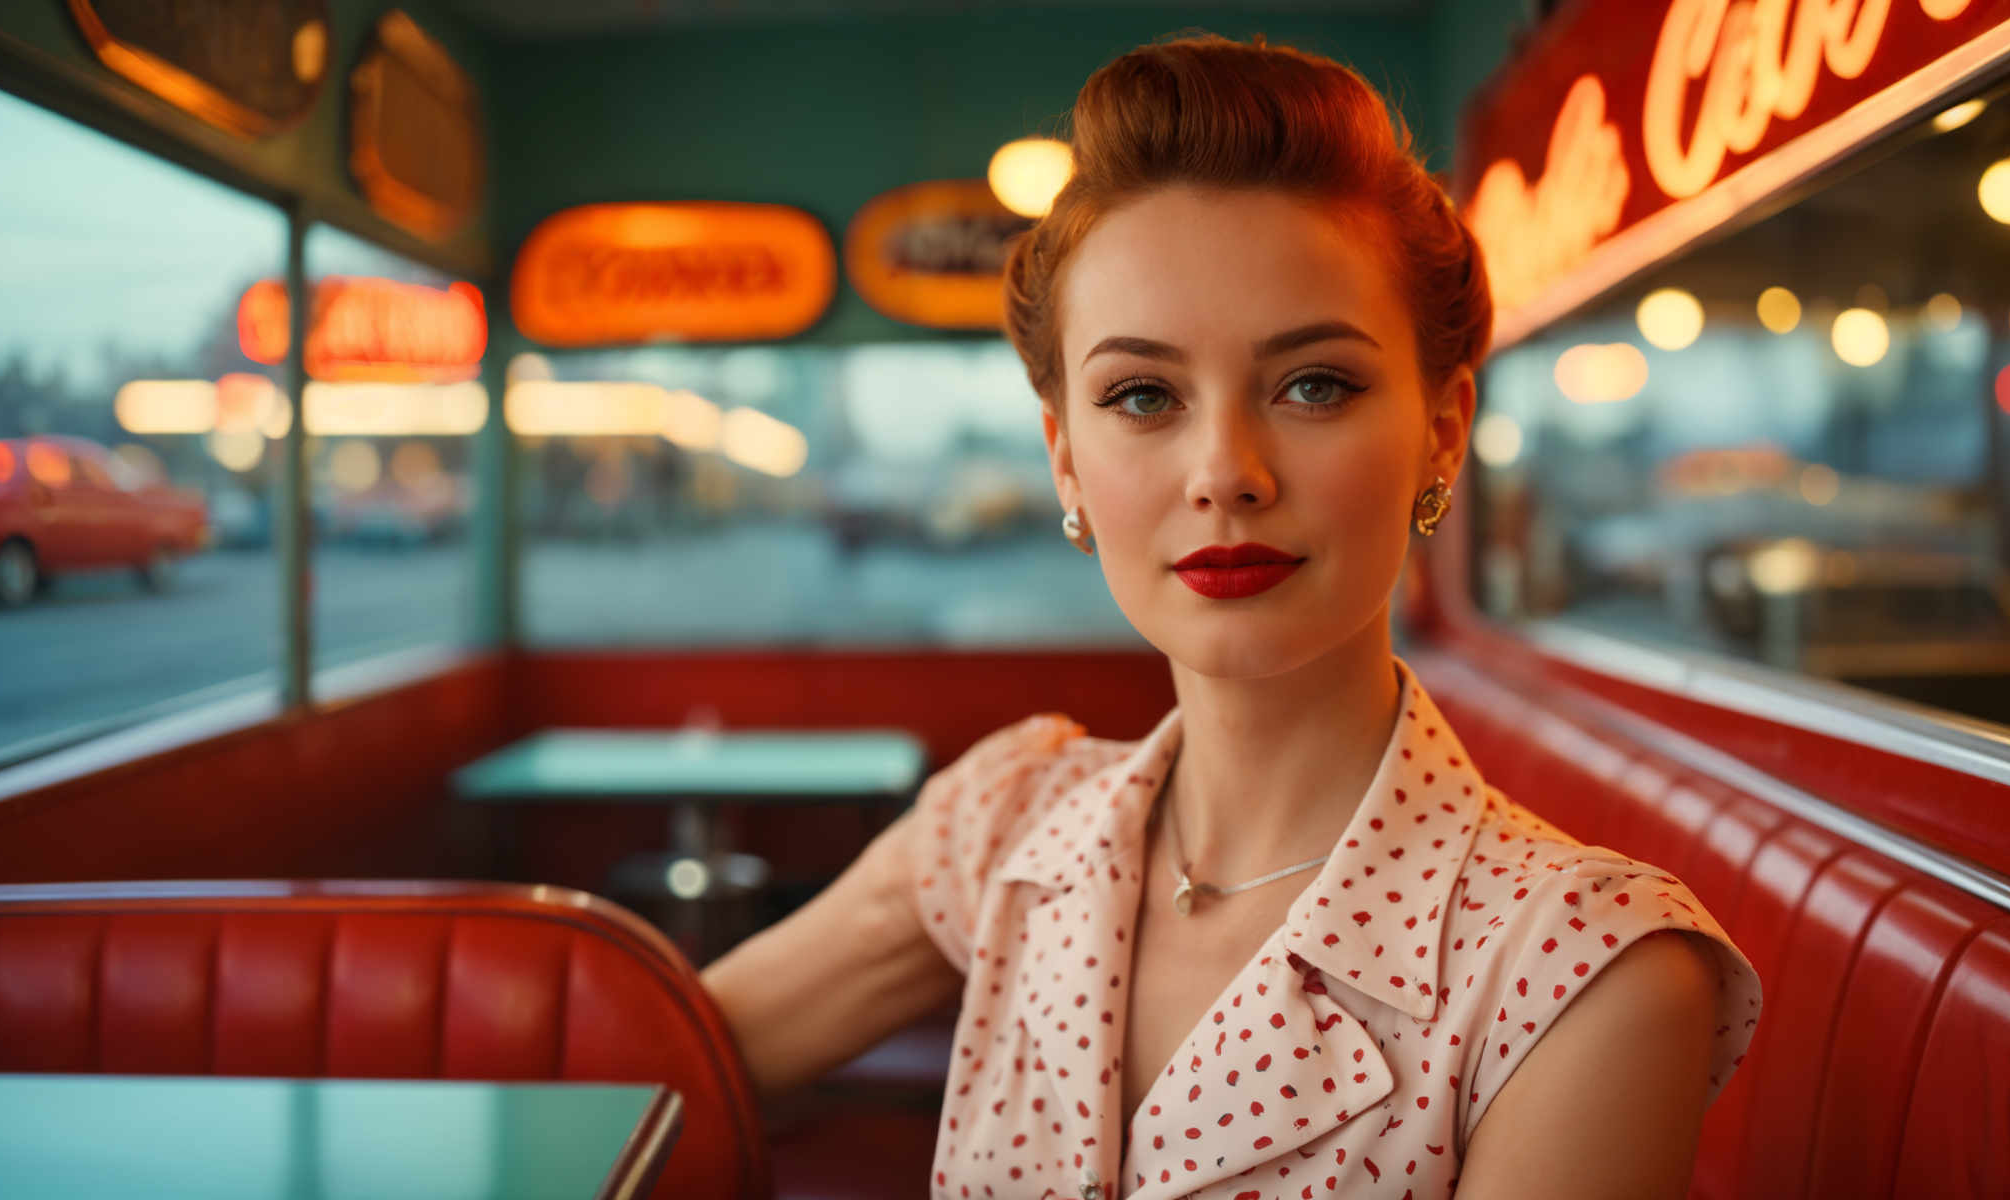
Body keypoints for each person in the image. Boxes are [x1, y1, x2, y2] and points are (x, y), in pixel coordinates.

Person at [703, 32, 1761, 1200]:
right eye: (1142, 396)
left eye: (1314, 385)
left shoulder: (1577, 969)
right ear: (1064, 459)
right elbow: (644, 1062)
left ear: (1442, 429)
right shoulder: (1006, 830)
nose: (1225, 471)